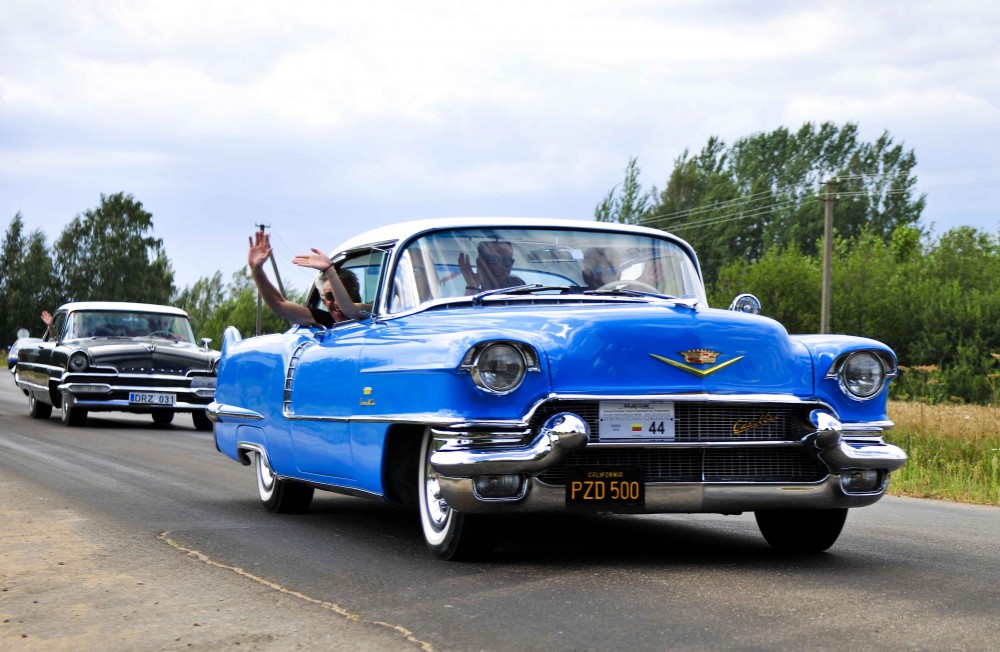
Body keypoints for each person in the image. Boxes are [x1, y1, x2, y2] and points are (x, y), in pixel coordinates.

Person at [248, 230, 362, 327]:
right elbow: (279, 304)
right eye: (330, 296)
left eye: (341, 293)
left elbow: (350, 309)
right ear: (323, 302)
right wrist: (256, 269)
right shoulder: (322, 321)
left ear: (355, 295)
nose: (337, 302)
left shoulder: (373, 313)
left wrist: (329, 270)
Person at [458, 239, 526, 293]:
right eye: (493, 259)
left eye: (507, 261)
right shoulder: (475, 296)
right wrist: (472, 286)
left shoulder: (519, 290)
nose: (500, 266)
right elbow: (469, 310)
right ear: (480, 263)